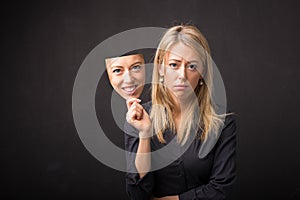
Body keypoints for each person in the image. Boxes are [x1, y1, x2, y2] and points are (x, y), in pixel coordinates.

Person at [124, 25, 237, 200]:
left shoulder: (221, 122)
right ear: (161, 68)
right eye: (174, 65)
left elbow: (221, 190)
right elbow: (137, 194)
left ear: (202, 72)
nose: (182, 75)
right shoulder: (139, 118)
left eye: (192, 66)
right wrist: (145, 134)